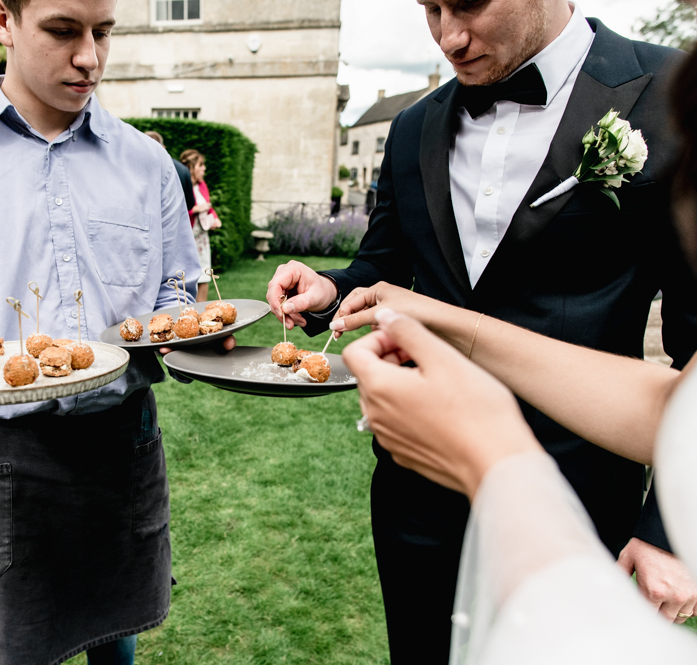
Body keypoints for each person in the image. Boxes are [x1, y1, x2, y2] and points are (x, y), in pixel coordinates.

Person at [265, 2, 697, 662]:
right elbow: (384, 267)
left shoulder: (670, 95)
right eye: (429, 9)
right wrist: (328, 290)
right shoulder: (411, 127)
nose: (448, 37)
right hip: (417, 496)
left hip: (581, 502)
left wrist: (671, 528)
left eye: (466, 3)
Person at [0, 0, 205, 662]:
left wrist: (180, 321)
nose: (89, 56)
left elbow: (177, 286)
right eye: (63, 31)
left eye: (103, 32)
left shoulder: (147, 165)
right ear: (3, 18)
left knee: (116, 639)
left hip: (125, 441)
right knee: (15, 646)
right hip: (7, 452)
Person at [179, 149, 220, 302]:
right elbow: (178, 211)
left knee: (205, 275)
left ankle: (201, 310)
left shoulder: (202, 185)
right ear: (191, 167)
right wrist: (195, 210)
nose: (204, 169)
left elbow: (208, 206)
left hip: (202, 239)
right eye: (200, 165)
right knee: (186, 277)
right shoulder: (181, 183)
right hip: (187, 239)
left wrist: (215, 218)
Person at [143, 131, 196, 213]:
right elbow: (189, 204)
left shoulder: (135, 168)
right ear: (163, 147)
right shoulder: (183, 169)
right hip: (173, 219)